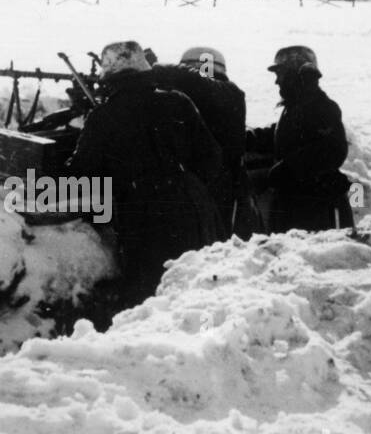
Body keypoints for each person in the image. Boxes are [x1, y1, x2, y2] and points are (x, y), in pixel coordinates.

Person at [66, 41, 223, 304]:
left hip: (143, 214)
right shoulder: (178, 101)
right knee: (197, 289)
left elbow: (82, 173)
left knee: (149, 295)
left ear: (109, 79)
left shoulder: (103, 116)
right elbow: (211, 158)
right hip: (191, 206)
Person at [151, 47, 257, 238]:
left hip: (221, 188)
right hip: (211, 187)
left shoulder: (226, 92)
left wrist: (153, 67)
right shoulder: (211, 96)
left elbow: (196, 82)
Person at [246, 45, 354, 232]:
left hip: (319, 205)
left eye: (280, 74)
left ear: (295, 75)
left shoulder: (322, 107)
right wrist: (249, 138)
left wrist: (287, 168)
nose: (277, 81)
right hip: (296, 203)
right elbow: (282, 135)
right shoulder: (296, 107)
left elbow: (332, 151)